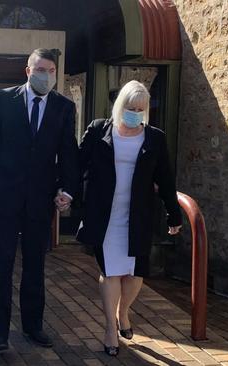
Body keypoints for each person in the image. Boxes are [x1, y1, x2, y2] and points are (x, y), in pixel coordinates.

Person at [76, 80, 182, 356]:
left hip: (137, 215)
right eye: (130, 107)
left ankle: (124, 313)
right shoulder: (100, 130)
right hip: (105, 214)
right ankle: (111, 329)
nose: (135, 112)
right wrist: (66, 194)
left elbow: (166, 179)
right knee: (111, 271)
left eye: (140, 108)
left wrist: (174, 213)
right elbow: (78, 165)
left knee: (134, 273)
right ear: (120, 106)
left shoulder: (155, 138)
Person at [0, 48, 80, 351]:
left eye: (50, 70)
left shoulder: (64, 107)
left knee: (35, 266)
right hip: (4, 199)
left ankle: (33, 326)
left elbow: (68, 152)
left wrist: (67, 189)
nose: (45, 75)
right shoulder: (3, 99)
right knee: (0, 266)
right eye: (39, 69)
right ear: (28, 71)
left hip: (40, 201)